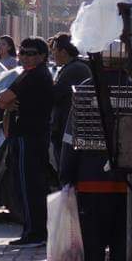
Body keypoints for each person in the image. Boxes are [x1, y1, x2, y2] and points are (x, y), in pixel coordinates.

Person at [60, 77, 126, 261]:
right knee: (124, 237)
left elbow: (71, 138)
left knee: (93, 238)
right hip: (130, 182)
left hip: (92, 179)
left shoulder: (86, 89)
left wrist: (66, 176)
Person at [0, 36, 54, 247]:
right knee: (27, 186)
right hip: (28, 137)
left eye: (32, 54)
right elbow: (1, 99)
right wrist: (5, 101)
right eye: (23, 53)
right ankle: (34, 231)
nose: (26, 58)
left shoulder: (34, 76)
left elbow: (3, 98)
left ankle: (34, 233)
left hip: (29, 137)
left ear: (42, 56)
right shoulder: (28, 75)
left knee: (29, 187)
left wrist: (5, 101)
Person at [49, 33, 92, 168]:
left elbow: (53, 96)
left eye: (54, 51)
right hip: (67, 129)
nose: (53, 55)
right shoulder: (73, 67)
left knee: (65, 173)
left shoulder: (74, 69)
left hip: (67, 130)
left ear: (63, 51)